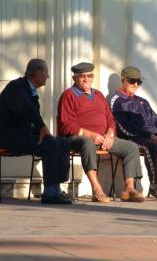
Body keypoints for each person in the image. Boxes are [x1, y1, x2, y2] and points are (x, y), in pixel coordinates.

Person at [57, 62, 145, 203]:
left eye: (89, 76)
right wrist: (90, 135)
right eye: (82, 76)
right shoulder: (68, 95)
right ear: (75, 78)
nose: (86, 79)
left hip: (103, 138)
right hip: (77, 139)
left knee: (131, 147)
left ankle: (129, 189)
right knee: (87, 142)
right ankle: (96, 188)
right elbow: (66, 125)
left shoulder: (98, 95)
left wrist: (110, 134)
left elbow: (110, 119)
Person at [0, 58, 72, 204]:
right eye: (46, 73)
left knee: (62, 142)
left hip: (23, 135)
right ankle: (50, 192)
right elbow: (26, 110)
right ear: (38, 73)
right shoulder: (16, 87)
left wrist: (42, 131)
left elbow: (33, 117)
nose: (48, 76)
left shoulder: (31, 90)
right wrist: (42, 127)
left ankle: (57, 187)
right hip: (9, 137)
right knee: (51, 145)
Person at [110, 66, 157, 201]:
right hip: (133, 138)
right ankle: (155, 185)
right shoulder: (117, 101)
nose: (136, 85)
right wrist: (149, 136)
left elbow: (156, 119)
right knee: (151, 146)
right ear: (123, 80)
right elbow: (124, 127)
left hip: (154, 137)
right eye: (132, 81)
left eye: (139, 82)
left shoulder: (142, 101)